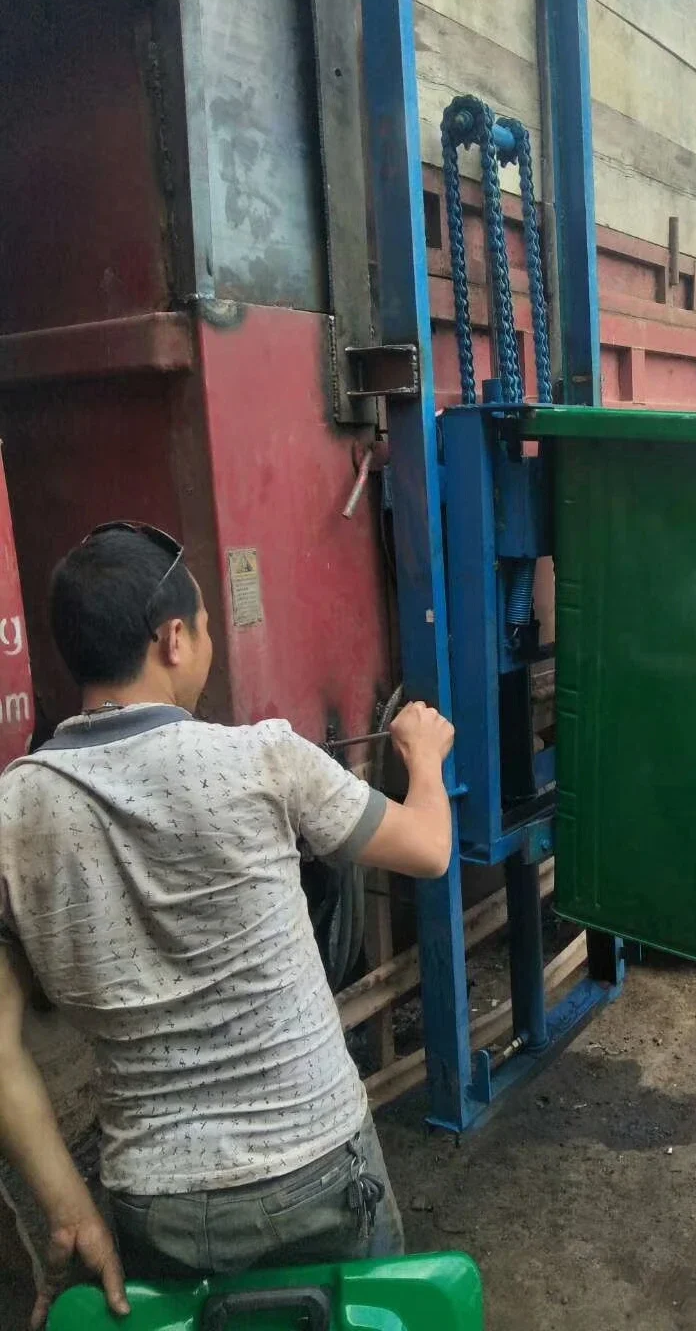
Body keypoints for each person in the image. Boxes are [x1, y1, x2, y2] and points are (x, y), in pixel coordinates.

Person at [0, 523, 455, 1327]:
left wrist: (71, 1211)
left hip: (154, 1202)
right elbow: (427, 848)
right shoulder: (262, 757)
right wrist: (424, 758)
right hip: (315, 1168)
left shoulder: (14, 809)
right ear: (173, 639)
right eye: (206, 626)